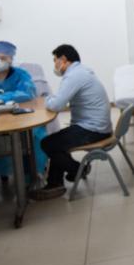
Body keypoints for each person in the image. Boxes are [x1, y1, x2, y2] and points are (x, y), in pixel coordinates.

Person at [31, 44, 113, 200]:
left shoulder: (74, 76)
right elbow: (59, 99)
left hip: (93, 130)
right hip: (97, 126)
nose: (55, 65)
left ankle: (77, 170)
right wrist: (52, 99)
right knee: (56, 141)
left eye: (55, 60)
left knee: (48, 144)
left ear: (63, 59)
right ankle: (55, 182)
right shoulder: (80, 71)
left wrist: (46, 99)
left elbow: (56, 104)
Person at [0, 40, 47, 187]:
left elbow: (27, 92)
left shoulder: (20, 75)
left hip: (20, 117)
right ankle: (3, 171)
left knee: (35, 135)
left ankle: (32, 173)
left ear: (11, 59)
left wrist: (1, 98)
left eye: (3, 58)